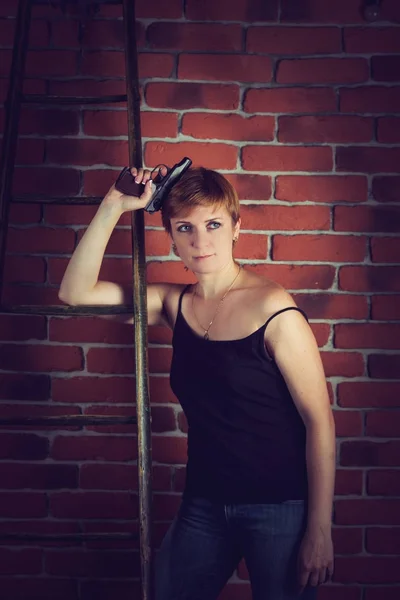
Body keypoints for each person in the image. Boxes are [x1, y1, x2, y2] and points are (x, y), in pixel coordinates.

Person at [59, 164, 336, 600]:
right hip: (204, 504)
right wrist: (114, 204)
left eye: (213, 224)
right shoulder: (174, 302)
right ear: (170, 236)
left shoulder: (274, 308)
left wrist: (319, 530)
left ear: (236, 228)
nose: (200, 241)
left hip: (280, 507)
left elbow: (319, 422)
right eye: (185, 227)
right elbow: (75, 294)